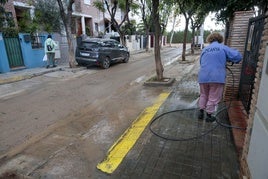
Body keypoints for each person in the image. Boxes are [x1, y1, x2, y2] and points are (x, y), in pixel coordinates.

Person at [197, 32, 242, 122]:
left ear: (209, 39)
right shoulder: (223, 47)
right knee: (213, 96)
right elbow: (237, 57)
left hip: (203, 76)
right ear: (220, 39)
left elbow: (202, 62)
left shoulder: (205, 49)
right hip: (216, 77)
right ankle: (209, 116)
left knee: (203, 94)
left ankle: (201, 112)